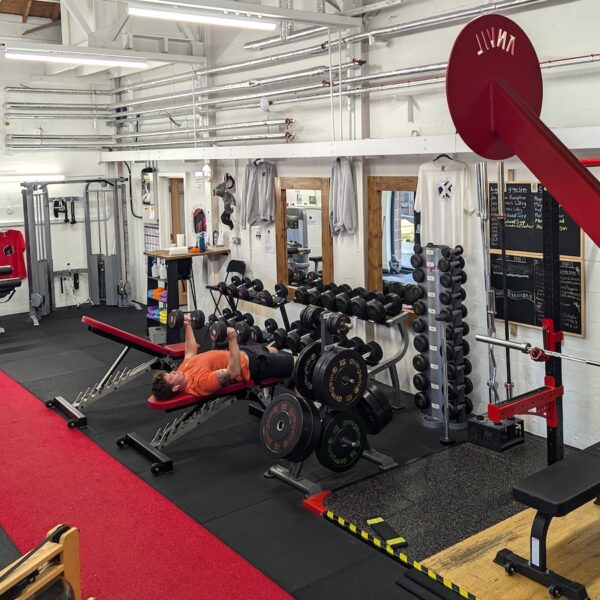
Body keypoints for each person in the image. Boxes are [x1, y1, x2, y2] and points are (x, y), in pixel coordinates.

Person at [151, 313, 295, 400]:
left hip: (241, 352)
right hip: (253, 365)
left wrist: (187, 326)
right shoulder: (200, 383)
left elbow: (190, 351)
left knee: (274, 350)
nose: (173, 371)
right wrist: (232, 340)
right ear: (175, 388)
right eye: (171, 376)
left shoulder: (184, 370)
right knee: (297, 362)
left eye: (169, 372)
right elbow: (233, 372)